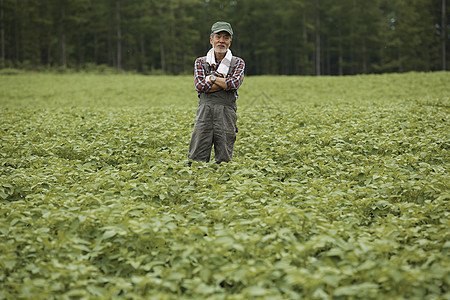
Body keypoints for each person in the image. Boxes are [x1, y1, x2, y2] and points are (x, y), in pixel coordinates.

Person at [188, 21, 245, 164]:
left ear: (230, 42)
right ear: (211, 40)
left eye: (226, 38)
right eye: (218, 36)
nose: (221, 41)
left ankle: (222, 184)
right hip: (205, 111)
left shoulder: (238, 62)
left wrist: (212, 78)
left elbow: (234, 84)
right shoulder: (201, 62)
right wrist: (224, 82)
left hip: (227, 112)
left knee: (224, 158)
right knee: (197, 157)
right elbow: (200, 86)